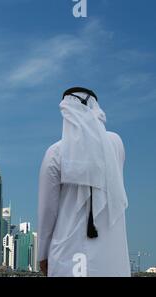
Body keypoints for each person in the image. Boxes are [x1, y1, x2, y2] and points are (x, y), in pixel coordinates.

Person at [38, 87, 131, 277]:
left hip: (68, 255)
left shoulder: (55, 153)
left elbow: (47, 211)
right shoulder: (116, 145)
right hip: (112, 254)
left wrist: (42, 254)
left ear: (67, 113)